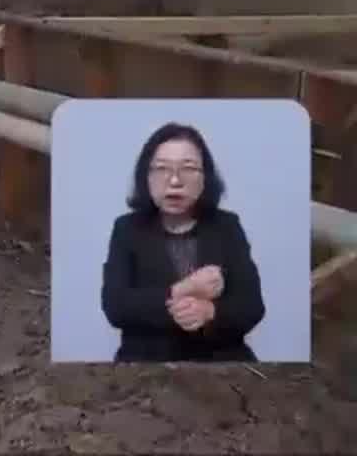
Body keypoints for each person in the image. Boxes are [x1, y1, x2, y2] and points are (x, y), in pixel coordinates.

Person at [100, 122, 264, 362]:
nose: (175, 181)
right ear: (145, 176)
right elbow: (115, 307)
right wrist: (183, 290)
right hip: (146, 363)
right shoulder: (127, 229)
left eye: (188, 169)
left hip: (222, 361)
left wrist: (210, 312)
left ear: (205, 177)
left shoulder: (227, 226)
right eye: (162, 169)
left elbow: (252, 306)